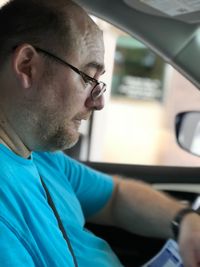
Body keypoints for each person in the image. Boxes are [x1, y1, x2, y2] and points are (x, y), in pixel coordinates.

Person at [0, 0, 200, 266]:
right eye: (88, 77)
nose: (98, 102)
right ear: (27, 65)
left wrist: (184, 222)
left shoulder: (40, 154)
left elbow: (115, 197)